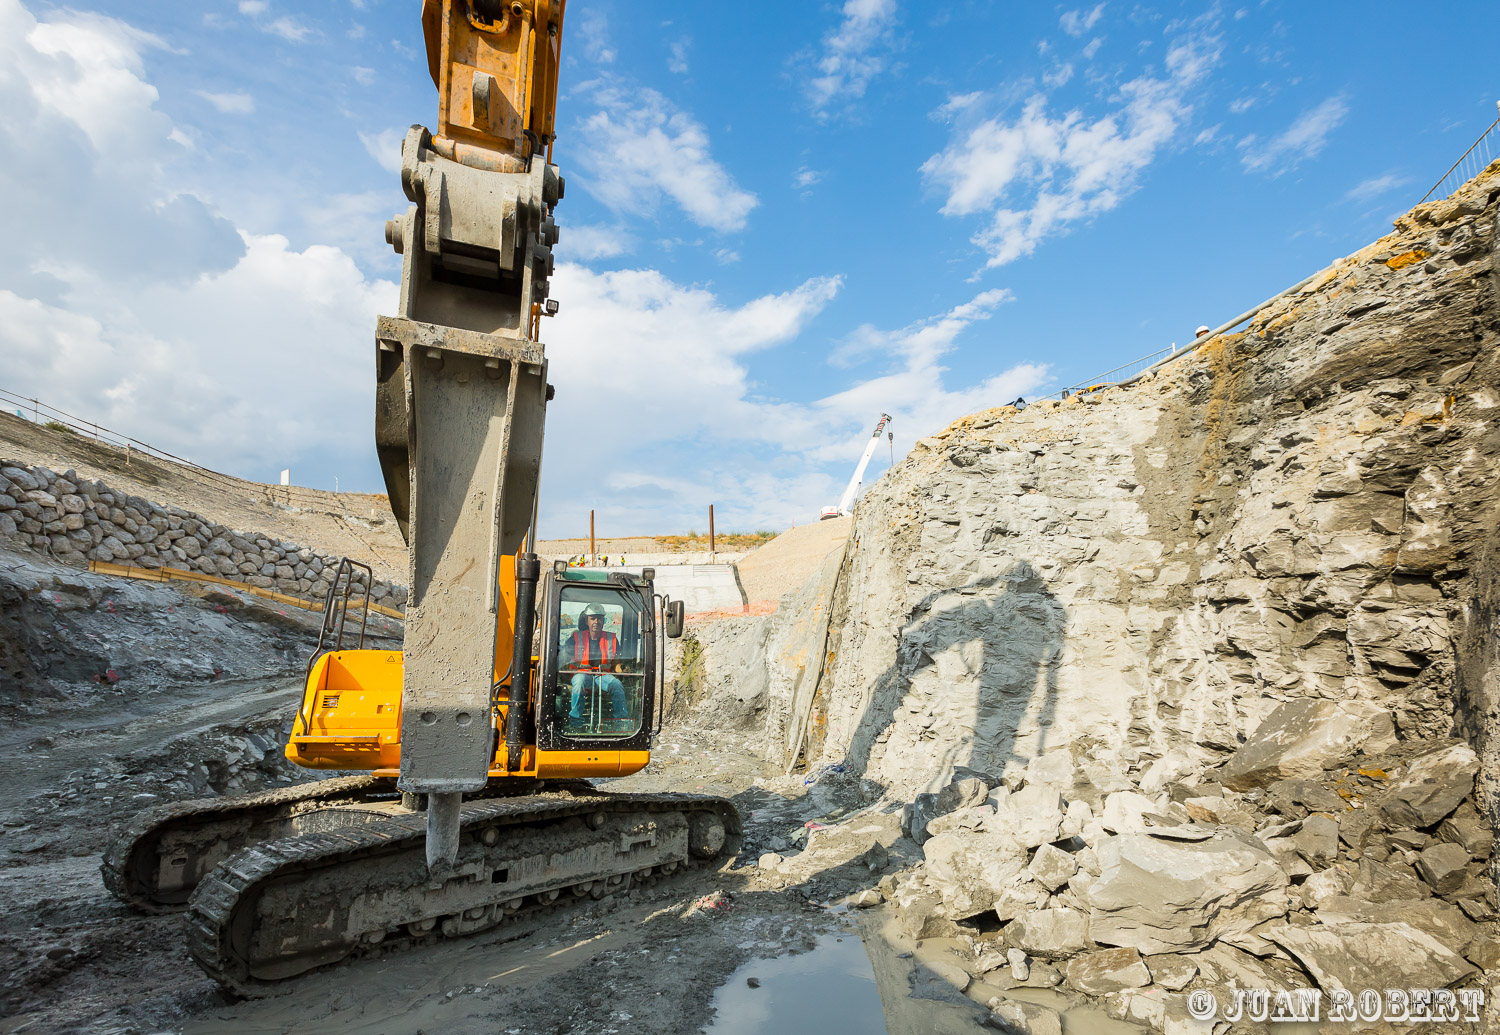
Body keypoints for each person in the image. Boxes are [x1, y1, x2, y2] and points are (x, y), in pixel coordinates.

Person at [561, 603, 628, 724]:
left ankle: (621, 721)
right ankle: (576, 722)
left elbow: (616, 664)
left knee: (616, 685)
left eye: (599, 618)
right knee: (579, 682)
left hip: (603, 675)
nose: (596, 621)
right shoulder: (576, 638)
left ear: (604, 620)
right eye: (593, 618)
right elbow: (564, 657)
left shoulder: (611, 638)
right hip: (582, 673)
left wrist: (622, 669)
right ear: (586, 621)